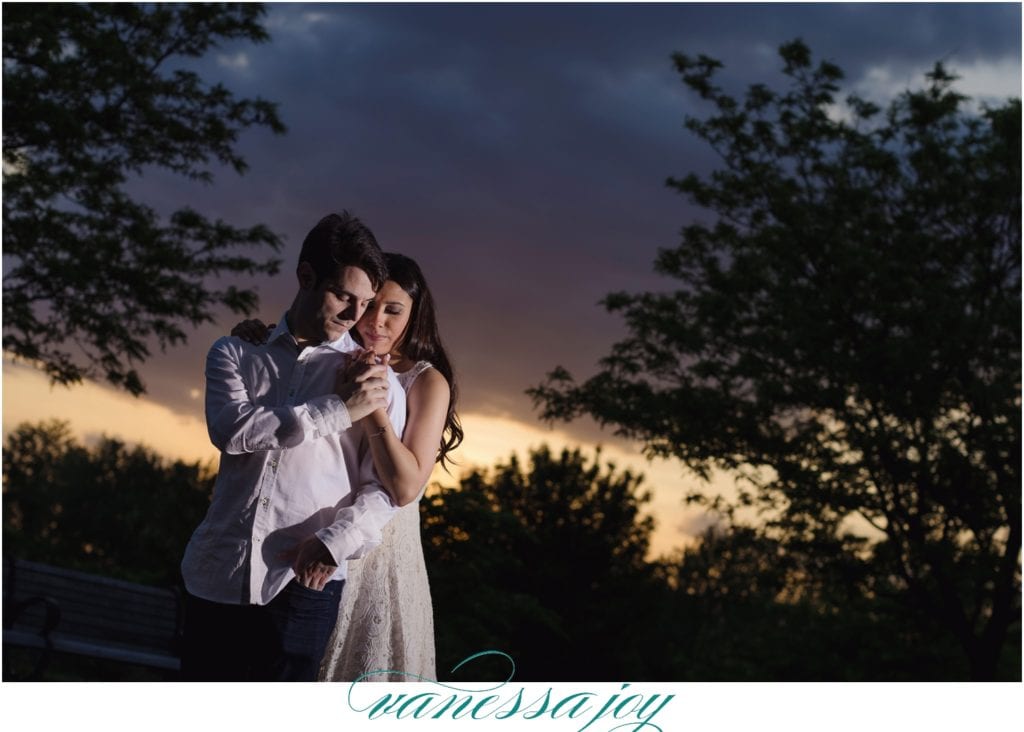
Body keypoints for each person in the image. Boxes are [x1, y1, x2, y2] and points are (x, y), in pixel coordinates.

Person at [179, 212, 409, 682]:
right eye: (344, 296)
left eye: (365, 303)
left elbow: (384, 489)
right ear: (306, 276)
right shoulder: (237, 352)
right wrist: (337, 411)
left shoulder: (372, 379)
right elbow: (233, 431)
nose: (355, 316)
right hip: (216, 574)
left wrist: (336, 542)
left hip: (304, 582)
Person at [231, 252, 461, 682]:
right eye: (370, 305)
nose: (376, 322)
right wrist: (255, 338)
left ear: (414, 315)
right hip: (316, 534)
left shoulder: (426, 381)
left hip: (382, 546)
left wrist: (370, 402)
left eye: (394, 311)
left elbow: (406, 485)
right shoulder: (332, 353)